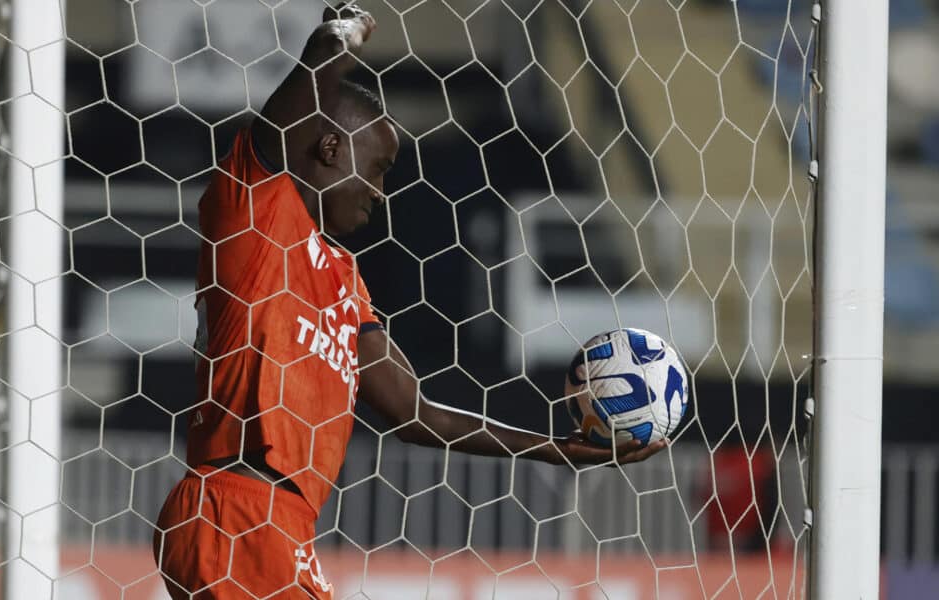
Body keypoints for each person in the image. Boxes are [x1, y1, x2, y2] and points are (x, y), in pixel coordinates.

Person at [152, 4, 667, 599]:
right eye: (376, 168)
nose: (378, 190)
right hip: (237, 513)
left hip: (281, 528)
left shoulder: (345, 279)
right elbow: (278, 130)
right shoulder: (258, 216)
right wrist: (334, 44)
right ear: (326, 148)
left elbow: (415, 414)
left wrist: (558, 450)